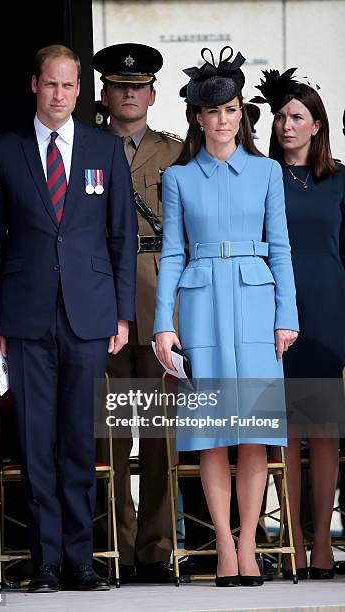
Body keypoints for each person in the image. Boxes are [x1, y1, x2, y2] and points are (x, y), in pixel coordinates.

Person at [0, 44, 137, 593]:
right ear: (34, 85)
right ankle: (44, 562)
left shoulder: (105, 149)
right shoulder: (5, 150)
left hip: (90, 314)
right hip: (24, 316)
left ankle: (79, 559)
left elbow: (122, 237)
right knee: (34, 439)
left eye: (70, 86)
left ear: (79, 91)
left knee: (78, 441)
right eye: (52, 84)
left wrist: (123, 314)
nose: (61, 95)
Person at [153, 46, 299, 587]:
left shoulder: (265, 172)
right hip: (200, 307)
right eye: (212, 111)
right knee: (211, 433)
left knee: (255, 433)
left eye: (231, 109)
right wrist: (162, 325)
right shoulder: (178, 178)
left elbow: (281, 248)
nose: (222, 119)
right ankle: (220, 547)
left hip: (258, 306)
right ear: (197, 117)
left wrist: (287, 315)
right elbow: (171, 252)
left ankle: (247, 544)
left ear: (242, 114)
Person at [92, 43, 182, 583]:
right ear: (104, 93)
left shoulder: (175, 153)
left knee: (157, 434)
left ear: (152, 94)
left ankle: (153, 549)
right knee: (106, 436)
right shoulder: (81, 147)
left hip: (157, 301)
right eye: (119, 84)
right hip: (99, 299)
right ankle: (115, 549)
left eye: (138, 85)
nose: (128, 92)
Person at [253, 68, 345, 579]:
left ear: (316, 125)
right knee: (283, 430)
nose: (286, 125)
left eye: (297, 117)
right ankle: (289, 539)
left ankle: (324, 545)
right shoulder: (261, 175)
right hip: (274, 311)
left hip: (330, 308)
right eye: (281, 117)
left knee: (326, 430)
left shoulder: (340, 179)